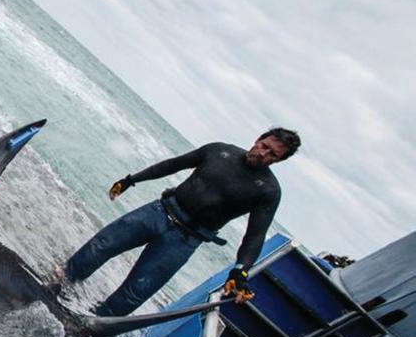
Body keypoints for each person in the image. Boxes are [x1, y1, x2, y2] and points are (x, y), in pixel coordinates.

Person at [60, 128, 301, 316]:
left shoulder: (268, 191)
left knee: (136, 291)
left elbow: (255, 234)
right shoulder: (219, 151)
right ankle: (59, 284)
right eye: (264, 145)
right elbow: (173, 165)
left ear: (278, 161)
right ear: (258, 138)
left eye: (272, 154)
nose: (262, 154)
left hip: (185, 239)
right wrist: (131, 180)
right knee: (101, 245)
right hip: (158, 212)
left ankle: (88, 326)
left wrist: (240, 271)